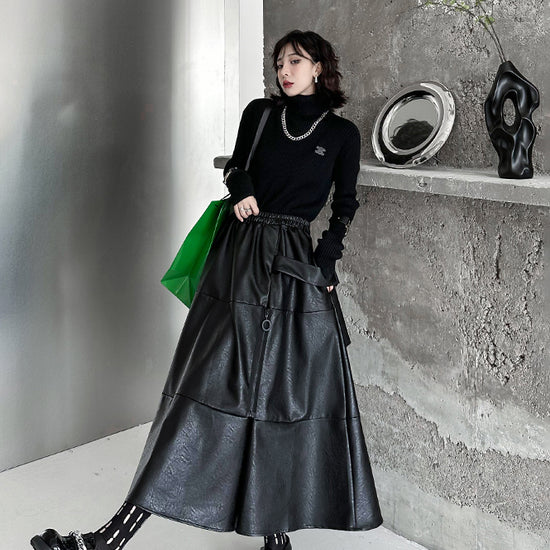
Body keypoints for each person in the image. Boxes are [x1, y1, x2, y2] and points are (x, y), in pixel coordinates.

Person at [30, 29, 383, 550]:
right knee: (202, 390)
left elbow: (346, 204)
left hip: (293, 266)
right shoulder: (260, 114)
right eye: (279, 61)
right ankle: (111, 538)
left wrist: (326, 260)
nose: (285, 70)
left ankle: (274, 538)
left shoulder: (343, 134)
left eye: (296, 60)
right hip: (238, 260)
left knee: (278, 398)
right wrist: (241, 188)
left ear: (319, 68)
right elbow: (237, 165)